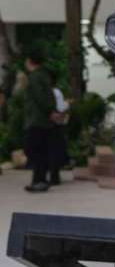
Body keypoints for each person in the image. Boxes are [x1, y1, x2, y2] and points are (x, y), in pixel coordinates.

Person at [22, 49, 57, 192]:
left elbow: (40, 97)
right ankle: (40, 180)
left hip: (36, 119)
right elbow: (49, 95)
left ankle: (39, 181)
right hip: (43, 120)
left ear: (30, 61)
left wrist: (49, 110)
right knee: (40, 150)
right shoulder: (44, 75)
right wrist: (51, 111)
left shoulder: (34, 77)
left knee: (33, 150)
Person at [47, 86, 70, 185]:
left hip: (45, 123)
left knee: (49, 150)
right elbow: (61, 107)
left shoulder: (42, 91)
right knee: (55, 149)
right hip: (56, 123)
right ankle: (54, 177)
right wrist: (67, 104)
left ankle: (48, 176)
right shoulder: (56, 92)